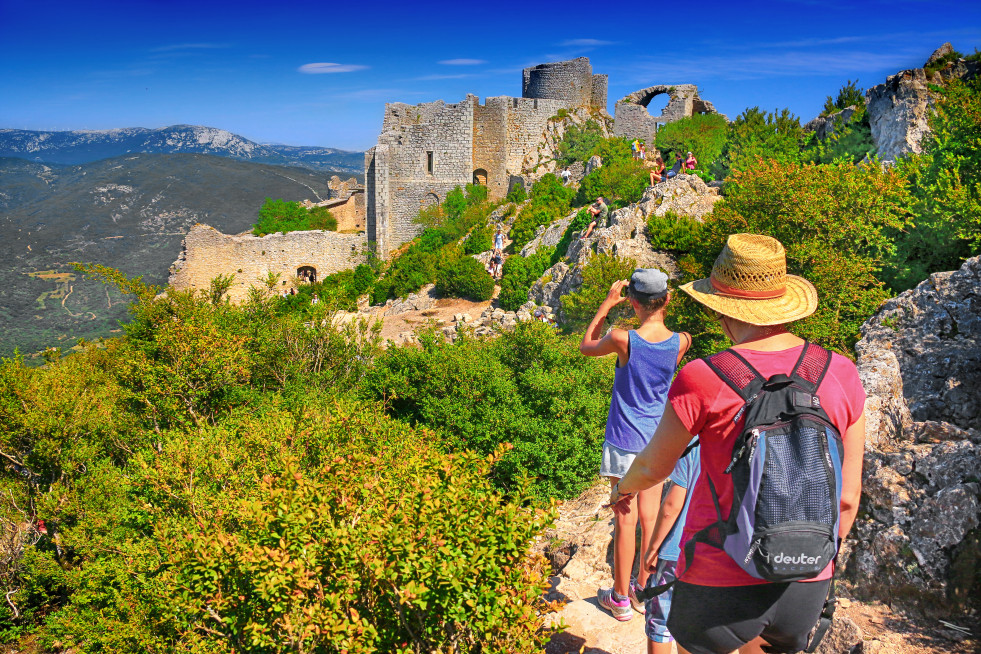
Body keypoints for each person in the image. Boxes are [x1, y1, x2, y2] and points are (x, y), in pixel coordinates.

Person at [611, 234, 867, 654]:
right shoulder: (840, 372)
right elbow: (848, 499)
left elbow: (654, 467)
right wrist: (806, 560)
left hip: (718, 580)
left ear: (722, 311)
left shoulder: (704, 376)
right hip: (806, 582)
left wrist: (622, 490)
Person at [580, 269, 692, 622]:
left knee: (624, 522)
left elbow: (586, 346)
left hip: (623, 441)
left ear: (633, 302)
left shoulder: (623, 339)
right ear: (667, 300)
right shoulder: (682, 341)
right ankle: (643, 592)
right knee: (651, 518)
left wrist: (606, 305)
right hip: (657, 442)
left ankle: (619, 599)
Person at [643, 439, 700, 654]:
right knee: (693, 624)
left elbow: (671, 507)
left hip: (677, 553)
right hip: (715, 555)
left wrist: (653, 548)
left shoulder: (693, 446)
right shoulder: (739, 444)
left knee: (661, 620)